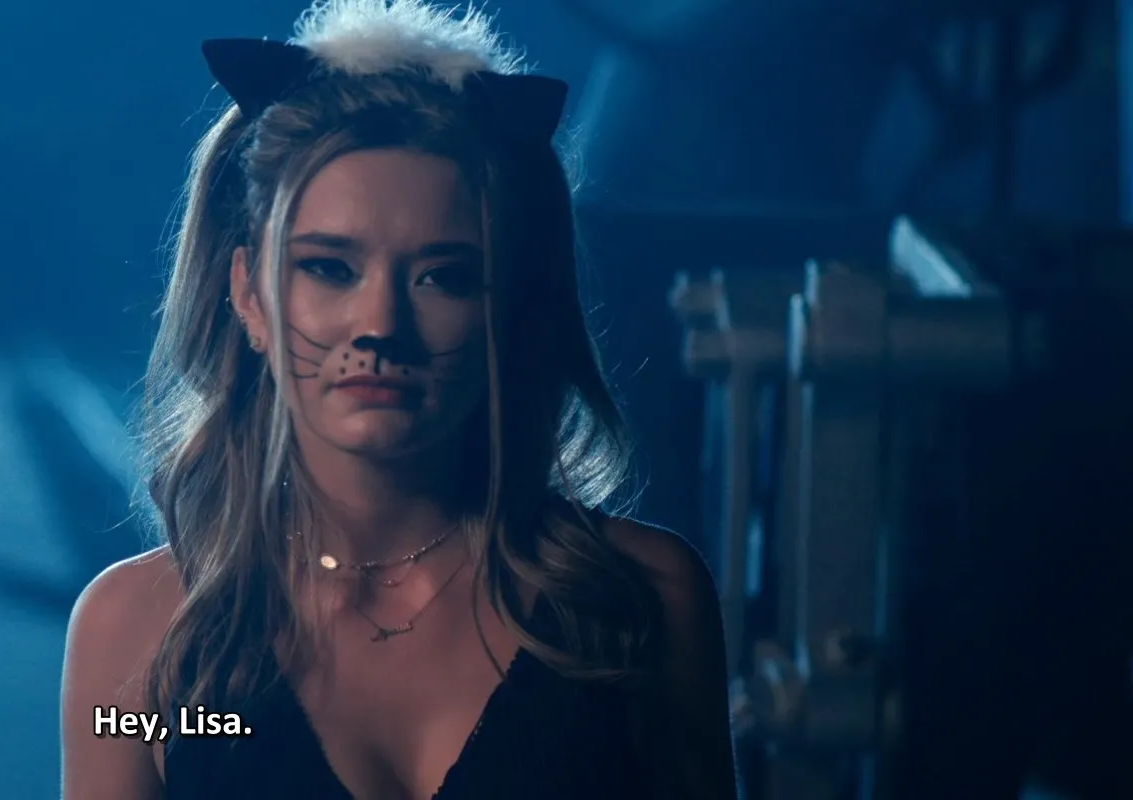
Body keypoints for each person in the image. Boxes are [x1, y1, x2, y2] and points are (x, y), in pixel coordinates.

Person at [61, 1, 739, 798]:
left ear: (511, 305)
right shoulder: (135, 638)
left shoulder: (644, 599)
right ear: (249, 294)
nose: (380, 324)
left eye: (442, 276)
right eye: (329, 268)